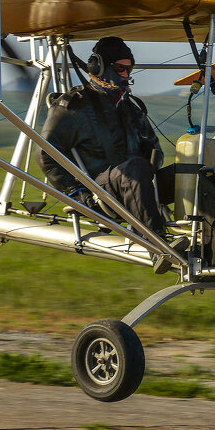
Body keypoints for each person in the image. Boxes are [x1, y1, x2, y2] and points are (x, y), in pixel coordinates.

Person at [38, 37, 185, 271]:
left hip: (140, 184)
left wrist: (153, 160)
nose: (126, 75)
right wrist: (76, 194)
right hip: (102, 192)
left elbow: (154, 146)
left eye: (129, 69)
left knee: (192, 173)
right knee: (135, 168)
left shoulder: (130, 108)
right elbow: (46, 153)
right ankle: (158, 247)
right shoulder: (72, 106)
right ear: (99, 67)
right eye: (120, 68)